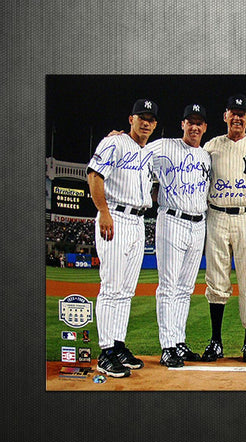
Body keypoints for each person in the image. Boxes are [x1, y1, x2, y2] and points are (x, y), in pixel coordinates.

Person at [87, 98, 158, 377]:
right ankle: (105, 352)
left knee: (126, 291)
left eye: (151, 119)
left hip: (138, 221)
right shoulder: (114, 143)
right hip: (115, 217)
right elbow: (94, 175)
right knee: (112, 287)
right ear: (131, 119)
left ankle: (117, 345)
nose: (146, 122)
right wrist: (103, 211)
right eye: (141, 116)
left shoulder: (148, 152)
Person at [201, 94, 246, 363]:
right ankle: (215, 341)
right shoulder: (211, 146)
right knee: (216, 279)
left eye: (243, 113)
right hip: (217, 215)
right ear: (225, 116)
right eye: (233, 112)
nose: (237, 117)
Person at [148, 103, 211, 367]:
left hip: (199, 224)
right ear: (182, 124)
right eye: (190, 121)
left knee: (185, 288)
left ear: (205, 127)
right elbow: (137, 150)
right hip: (172, 219)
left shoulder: (207, 156)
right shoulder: (164, 145)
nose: (194, 126)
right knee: (169, 286)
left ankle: (179, 341)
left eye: (199, 122)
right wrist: (118, 137)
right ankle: (167, 346)